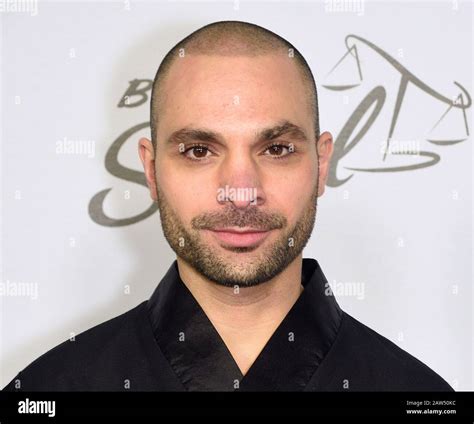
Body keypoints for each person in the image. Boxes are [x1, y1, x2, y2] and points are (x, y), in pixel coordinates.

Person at [3, 20, 452, 392]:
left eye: (276, 149)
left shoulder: (421, 396)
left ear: (321, 165)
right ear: (152, 170)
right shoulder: (47, 391)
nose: (240, 192)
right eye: (199, 151)